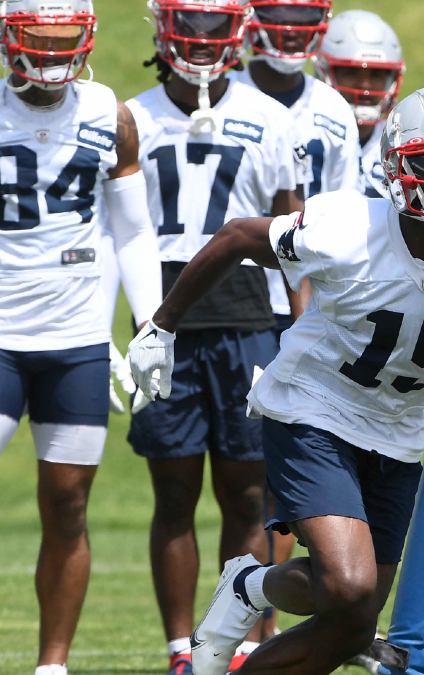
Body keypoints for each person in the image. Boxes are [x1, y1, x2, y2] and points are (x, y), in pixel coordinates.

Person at [128, 86, 424, 675]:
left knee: (355, 619)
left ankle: (248, 589)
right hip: (313, 407)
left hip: (397, 431)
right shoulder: (346, 227)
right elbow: (239, 236)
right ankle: (252, 589)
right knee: (347, 587)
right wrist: (162, 327)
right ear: (398, 166)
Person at [127, 1, 302, 673]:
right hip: (162, 317)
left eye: (213, 28)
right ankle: (180, 648)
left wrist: (300, 326)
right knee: (173, 492)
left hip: (250, 316)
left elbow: (294, 233)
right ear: (162, 30)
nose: (200, 43)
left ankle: (238, 644)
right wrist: (140, 322)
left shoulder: (271, 117)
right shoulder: (134, 115)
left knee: (250, 493)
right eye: (187, 27)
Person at [0, 2, 162, 674]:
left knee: (68, 502)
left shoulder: (109, 113)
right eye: (36, 40)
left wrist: (152, 324)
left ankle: (52, 664)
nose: (49, 55)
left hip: (76, 340)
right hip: (2, 335)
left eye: (63, 40)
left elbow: (131, 229)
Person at [230, 0, 359, 336]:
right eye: (277, 16)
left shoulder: (334, 107)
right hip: (234, 292)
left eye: (303, 17)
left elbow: (344, 214)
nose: (290, 29)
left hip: (313, 293)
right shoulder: (225, 94)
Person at [313, 9, 405, 199]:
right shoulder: (303, 135)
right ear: (325, 72)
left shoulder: (401, 146)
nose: (365, 85)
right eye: (351, 72)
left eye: (377, 74)